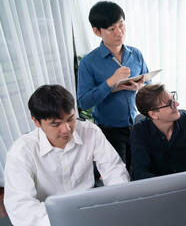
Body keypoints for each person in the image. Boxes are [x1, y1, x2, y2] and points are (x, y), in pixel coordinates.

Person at [4, 85, 129, 226]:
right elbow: (21, 206)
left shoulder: (90, 132)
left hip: (89, 211)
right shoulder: (21, 151)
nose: (66, 129)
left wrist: (120, 201)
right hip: (49, 219)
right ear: (36, 121)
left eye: (70, 119)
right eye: (55, 124)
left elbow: (114, 170)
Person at [77, 1, 149, 171]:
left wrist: (139, 87)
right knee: (118, 178)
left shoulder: (135, 53)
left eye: (121, 25)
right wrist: (110, 82)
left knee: (139, 172)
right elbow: (84, 102)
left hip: (137, 127)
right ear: (97, 31)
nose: (119, 33)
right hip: (109, 132)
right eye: (111, 29)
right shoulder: (88, 62)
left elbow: (148, 83)